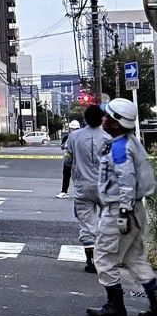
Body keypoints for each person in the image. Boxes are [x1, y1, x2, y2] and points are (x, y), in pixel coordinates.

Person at [85, 98, 157, 316]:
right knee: (135, 258)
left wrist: (123, 214)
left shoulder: (120, 147)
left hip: (120, 210)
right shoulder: (130, 141)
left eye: (108, 116)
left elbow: (126, 180)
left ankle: (115, 306)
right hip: (134, 210)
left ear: (116, 123)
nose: (103, 119)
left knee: (104, 257)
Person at [58, 109, 106, 273]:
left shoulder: (74, 136)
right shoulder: (108, 137)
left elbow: (68, 160)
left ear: (85, 119)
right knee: (109, 220)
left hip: (82, 185)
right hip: (105, 186)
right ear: (102, 119)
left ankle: (91, 260)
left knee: (87, 223)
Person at [56, 120, 82, 197]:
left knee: (79, 176)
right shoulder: (67, 137)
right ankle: (64, 191)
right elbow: (62, 147)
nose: (73, 131)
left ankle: (79, 192)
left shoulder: (81, 137)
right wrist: (68, 141)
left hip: (78, 159)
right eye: (71, 129)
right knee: (66, 174)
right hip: (68, 158)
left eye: (75, 129)